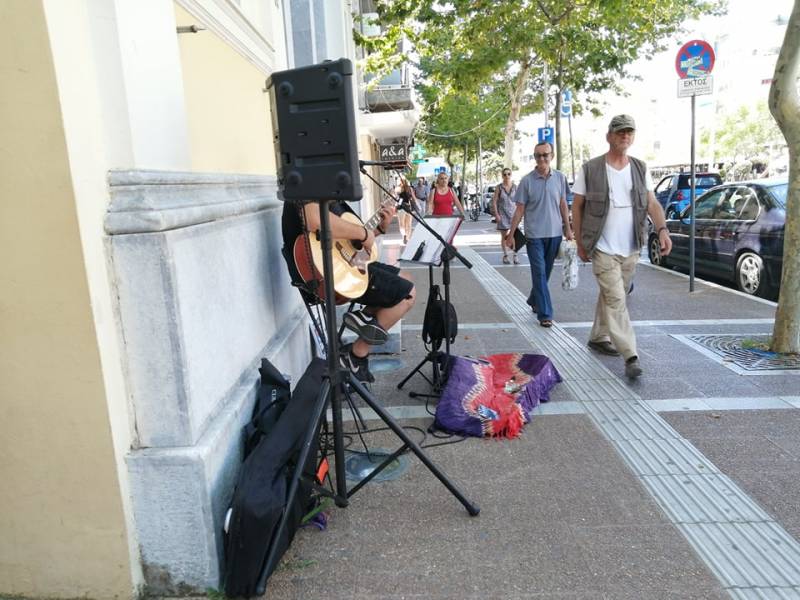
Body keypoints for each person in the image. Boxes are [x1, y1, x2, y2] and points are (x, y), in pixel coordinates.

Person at [571, 114, 672, 379]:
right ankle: (631, 355)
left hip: (631, 246)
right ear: (609, 136)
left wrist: (662, 230)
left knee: (613, 294)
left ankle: (598, 335)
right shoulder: (590, 168)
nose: (625, 136)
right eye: (619, 132)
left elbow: (652, 204)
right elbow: (577, 207)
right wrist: (579, 240)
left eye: (629, 132)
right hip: (602, 246)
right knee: (617, 299)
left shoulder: (640, 168)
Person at [282, 199, 416, 383]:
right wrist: (363, 233)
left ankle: (367, 315)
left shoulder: (332, 190)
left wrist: (377, 230)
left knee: (405, 277)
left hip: (337, 262)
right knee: (407, 294)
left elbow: (351, 250)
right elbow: (313, 219)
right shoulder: (310, 176)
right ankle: (355, 355)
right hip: (319, 270)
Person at [506, 143, 573, 327]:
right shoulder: (527, 181)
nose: (542, 159)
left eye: (545, 155)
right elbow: (519, 210)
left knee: (546, 272)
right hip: (534, 235)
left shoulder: (560, 177)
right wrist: (511, 234)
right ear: (534, 157)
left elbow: (562, 204)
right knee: (539, 273)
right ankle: (545, 313)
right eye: (538, 156)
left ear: (552, 155)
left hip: (555, 234)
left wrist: (568, 228)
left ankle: (534, 299)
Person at [492, 168, 519, 264]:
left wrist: (520, 214)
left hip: (513, 214)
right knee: (504, 236)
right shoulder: (499, 187)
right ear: (502, 176)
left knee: (514, 235)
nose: (507, 176)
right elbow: (494, 202)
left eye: (508, 174)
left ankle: (515, 255)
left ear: (511, 175)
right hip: (502, 214)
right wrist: (497, 215)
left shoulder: (515, 187)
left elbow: (519, 202)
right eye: (504, 174)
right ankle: (505, 255)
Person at [395, 177, 417, 244]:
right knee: (403, 224)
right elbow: (396, 197)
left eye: (402, 180)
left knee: (408, 224)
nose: (402, 182)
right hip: (402, 207)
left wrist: (416, 205)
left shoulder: (409, 188)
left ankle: (407, 237)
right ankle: (405, 235)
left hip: (406, 207)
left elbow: (413, 197)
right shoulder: (398, 188)